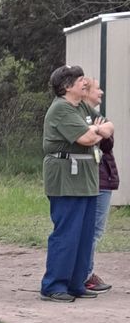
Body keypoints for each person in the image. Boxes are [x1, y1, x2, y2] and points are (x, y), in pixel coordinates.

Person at [40, 65, 114, 303]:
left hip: (86, 178)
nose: (85, 83)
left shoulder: (81, 106)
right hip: (66, 178)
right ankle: (54, 285)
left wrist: (97, 128)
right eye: (80, 80)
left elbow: (108, 126)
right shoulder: (61, 108)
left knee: (84, 234)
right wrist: (95, 130)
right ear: (66, 86)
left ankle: (76, 283)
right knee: (68, 233)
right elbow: (87, 138)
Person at [81, 77, 119, 293]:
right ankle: (85, 274)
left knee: (93, 230)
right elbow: (96, 139)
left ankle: (86, 272)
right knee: (93, 230)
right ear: (85, 92)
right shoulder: (79, 116)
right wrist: (99, 131)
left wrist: (101, 129)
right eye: (97, 89)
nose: (101, 92)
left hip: (103, 179)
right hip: (97, 181)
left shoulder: (97, 117)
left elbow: (108, 135)